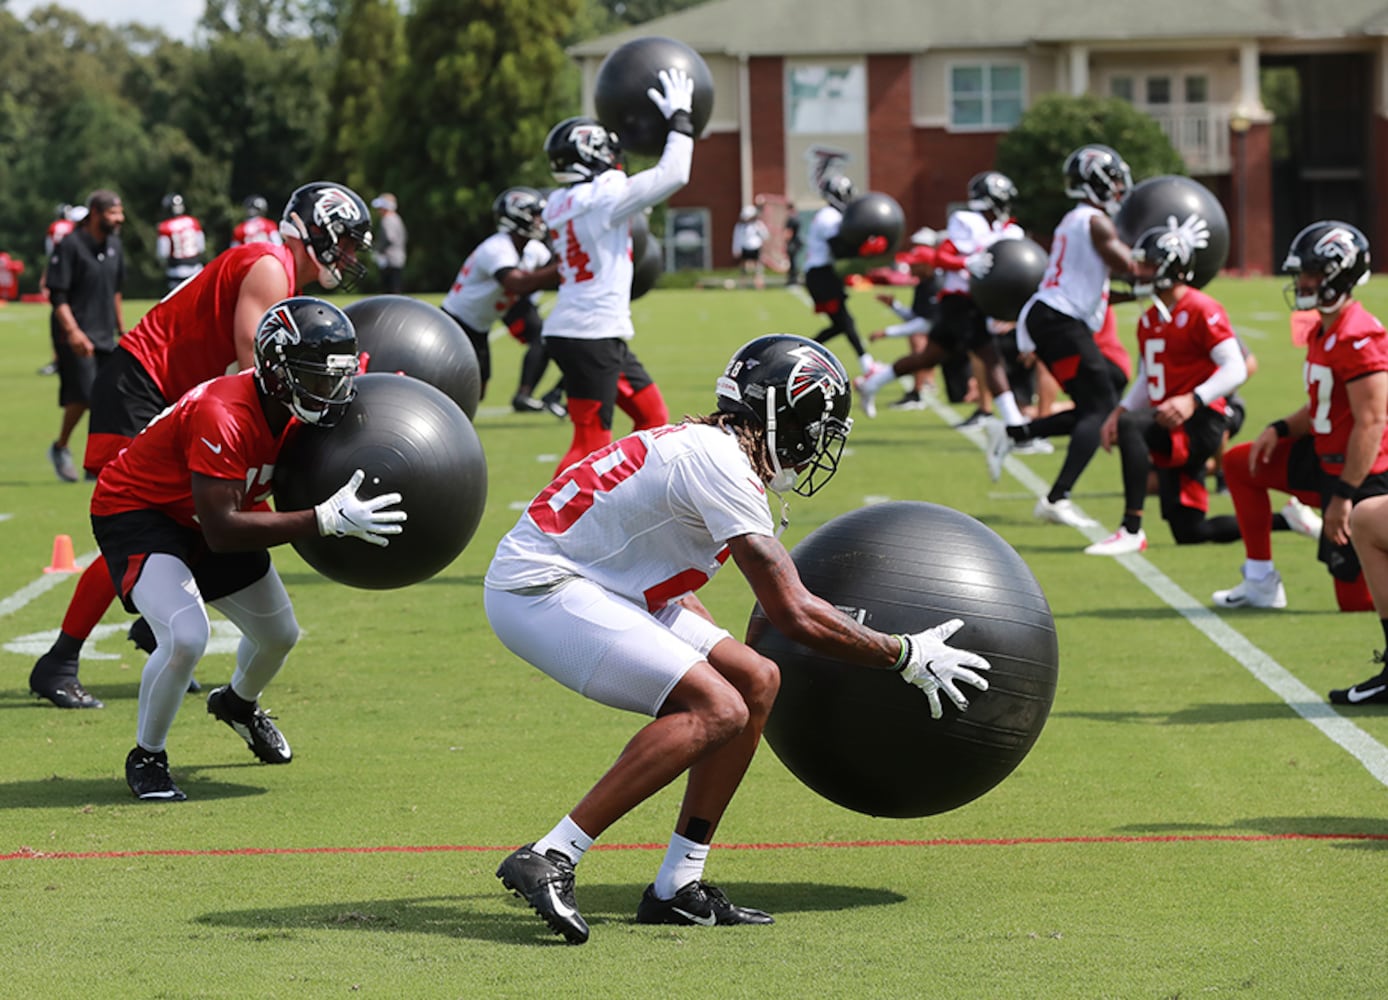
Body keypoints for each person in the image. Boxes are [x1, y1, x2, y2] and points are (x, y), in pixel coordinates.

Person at [486, 334, 992, 944]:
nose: (814, 446)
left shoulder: (711, 448)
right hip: (541, 588)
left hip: (603, 581)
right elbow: (794, 613)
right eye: (814, 426)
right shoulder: (721, 463)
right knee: (716, 707)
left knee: (756, 679)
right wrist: (903, 653)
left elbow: (650, 553)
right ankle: (552, 855)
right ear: (782, 414)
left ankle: (679, 884)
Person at [28, 181, 375, 710]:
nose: (349, 254)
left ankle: (152, 627)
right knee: (136, 526)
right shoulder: (269, 266)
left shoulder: (279, 271)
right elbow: (256, 371)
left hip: (170, 393)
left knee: (192, 515)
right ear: (315, 229)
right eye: (344, 240)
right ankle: (61, 660)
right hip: (144, 385)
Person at [102, 297, 407, 800]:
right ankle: (147, 755)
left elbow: (364, 375)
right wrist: (322, 520)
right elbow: (221, 531)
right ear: (277, 372)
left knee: (278, 635)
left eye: (334, 378)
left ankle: (238, 705)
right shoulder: (223, 414)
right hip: (143, 514)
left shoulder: (293, 395)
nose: (329, 392)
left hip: (209, 513)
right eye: (314, 379)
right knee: (184, 637)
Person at [1212, 220, 1388, 612]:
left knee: (1355, 601)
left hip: (1362, 476)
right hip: (1326, 459)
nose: (1303, 283)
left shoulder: (1360, 336)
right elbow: (1326, 405)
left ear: (1339, 274)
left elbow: (1372, 421)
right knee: (1242, 463)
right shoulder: (1324, 328)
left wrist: (1343, 497)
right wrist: (1281, 428)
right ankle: (1260, 581)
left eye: (1311, 274)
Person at [540, 66, 694, 475]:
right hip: (590, 333)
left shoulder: (561, 201)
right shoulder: (603, 198)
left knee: (653, 417)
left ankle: (621, 496)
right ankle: (548, 530)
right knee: (590, 442)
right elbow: (674, 174)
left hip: (588, 330)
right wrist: (680, 120)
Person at [980, 145, 1143, 528]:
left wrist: (1145, 291)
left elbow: (1097, 286)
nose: (1119, 186)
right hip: (1057, 320)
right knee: (1101, 408)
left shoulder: (1078, 220)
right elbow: (1132, 266)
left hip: (1052, 317)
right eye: (1114, 178)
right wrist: (1175, 253)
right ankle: (1056, 498)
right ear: (1098, 179)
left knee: (1107, 391)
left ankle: (1015, 432)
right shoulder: (1097, 222)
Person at [1085, 221, 1248, 555]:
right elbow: (1148, 377)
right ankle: (1286, 520)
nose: (1139, 271)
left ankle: (1131, 528)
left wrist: (1193, 399)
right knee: (1190, 530)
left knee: (1134, 426)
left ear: (1170, 267)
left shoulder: (1201, 307)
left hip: (1202, 420)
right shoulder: (1151, 318)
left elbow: (1236, 367)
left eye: (1148, 265)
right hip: (1169, 419)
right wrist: (1119, 410)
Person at [854, 172, 1033, 428]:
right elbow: (939, 257)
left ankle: (872, 384)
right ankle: (1016, 426)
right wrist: (966, 262)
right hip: (959, 303)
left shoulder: (1008, 230)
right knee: (989, 356)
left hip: (978, 304)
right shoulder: (968, 221)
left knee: (926, 359)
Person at [440, 186, 562, 414]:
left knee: (479, 390)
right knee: (465, 390)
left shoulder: (532, 248)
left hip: (483, 323)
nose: (539, 221)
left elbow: (554, 272)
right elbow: (516, 284)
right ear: (518, 216)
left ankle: (525, 394)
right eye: (534, 215)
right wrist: (562, 267)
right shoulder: (496, 247)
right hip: (456, 322)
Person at [46, 190, 125, 483]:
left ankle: (97, 463)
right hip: (74, 333)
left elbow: (116, 290)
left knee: (109, 397)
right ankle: (60, 446)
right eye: (113, 213)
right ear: (95, 213)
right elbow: (58, 295)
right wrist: (74, 332)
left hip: (105, 330)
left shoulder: (115, 245)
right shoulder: (70, 246)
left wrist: (123, 329)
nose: (120, 219)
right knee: (85, 394)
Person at [803, 173, 877, 377]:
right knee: (845, 321)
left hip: (822, 274)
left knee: (841, 324)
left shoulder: (829, 215)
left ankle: (803, 351)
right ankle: (867, 365)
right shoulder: (830, 216)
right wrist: (865, 249)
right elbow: (838, 249)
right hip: (822, 274)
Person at [156, 193, 206, 291]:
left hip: (176, 270)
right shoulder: (193, 222)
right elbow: (201, 247)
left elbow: (162, 253)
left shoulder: (165, 227)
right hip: (196, 268)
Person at [372, 193, 407, 294]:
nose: (379, 210)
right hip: (397, 258)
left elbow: (389, 238)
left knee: (390, 290)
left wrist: (378, 250)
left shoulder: (388, 220)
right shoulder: (396, 218)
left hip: (389, 259)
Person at [731, 204, 768, 288]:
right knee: (743, 268)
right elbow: (737, 238)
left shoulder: (758, 225)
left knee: (757, 268)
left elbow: (765, 236)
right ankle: (743, 285)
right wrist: (736, 249)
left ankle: (759, 284)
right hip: (745, 248)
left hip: (756, 247)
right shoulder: (740, 226)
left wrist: (759, 230)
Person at [783, 203, 802, 286]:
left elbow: (789, 232)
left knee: (792, 261)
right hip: (797, 242)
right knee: (794, 261)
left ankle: (793, 279)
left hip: (792, 242)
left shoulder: (791, 219)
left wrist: (785, 242)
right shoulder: (796, 218)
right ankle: (794, 278)